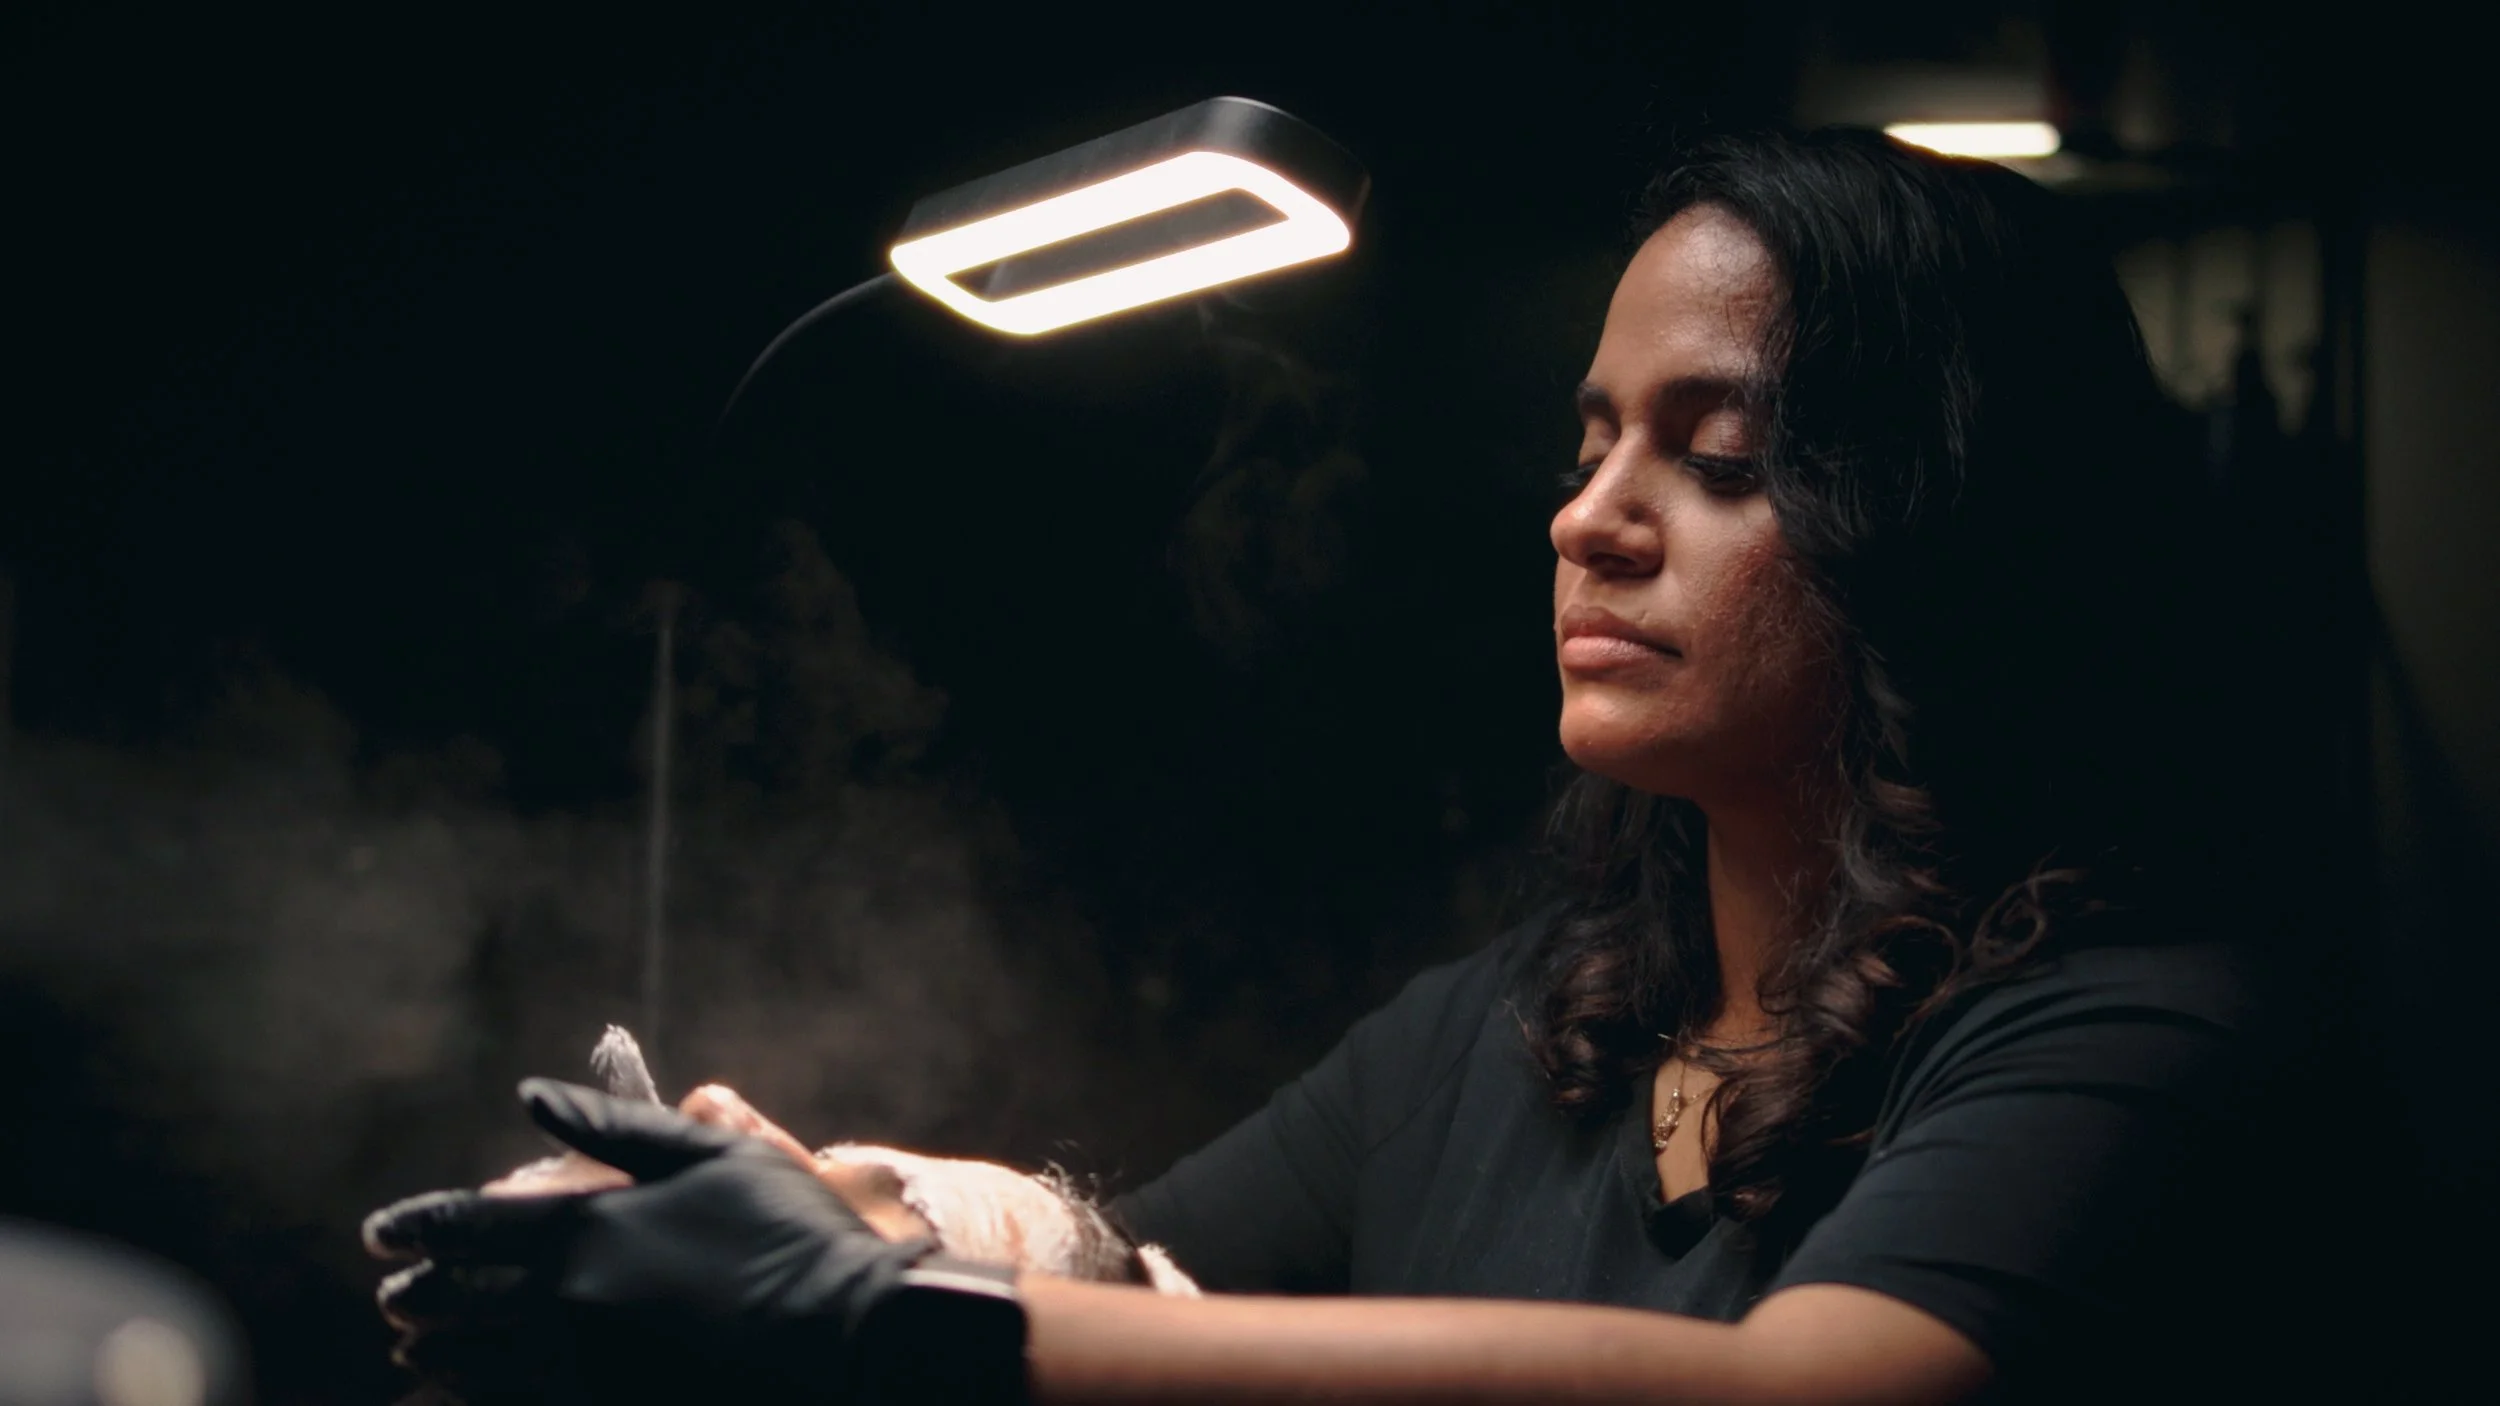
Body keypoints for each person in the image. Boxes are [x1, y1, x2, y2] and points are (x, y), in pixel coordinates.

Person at [362, 128, 2306, 1405]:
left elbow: (1808, 1387)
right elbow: (1156, 1295)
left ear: (1942, 521)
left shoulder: (2128, 1034)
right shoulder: (1502, 1030)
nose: (1587, 521)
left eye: (1716, 457)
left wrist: (893, 1325)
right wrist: (858, 1213)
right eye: (1589, 442)